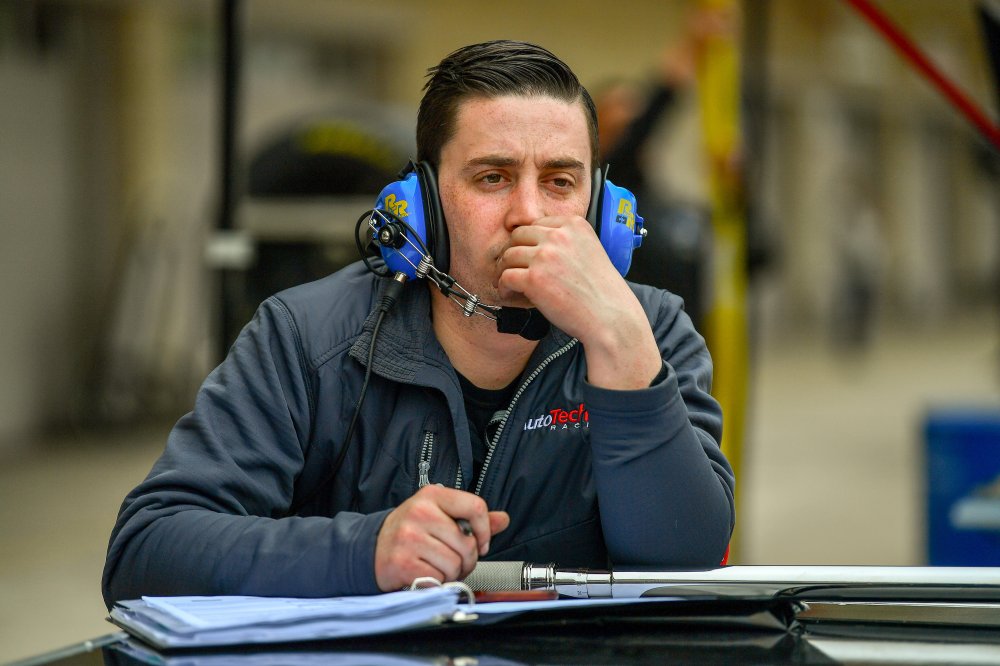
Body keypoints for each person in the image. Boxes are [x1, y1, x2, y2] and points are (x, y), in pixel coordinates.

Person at [102, 40, 735, 605]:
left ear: (603, 210)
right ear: (422, 206)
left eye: (561, 182)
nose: (529, 213)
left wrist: (620, 343)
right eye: (493, 177)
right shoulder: (303, 337)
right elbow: (147, 549)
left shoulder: (650, 332)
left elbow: (687, 563)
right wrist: (363, 551)